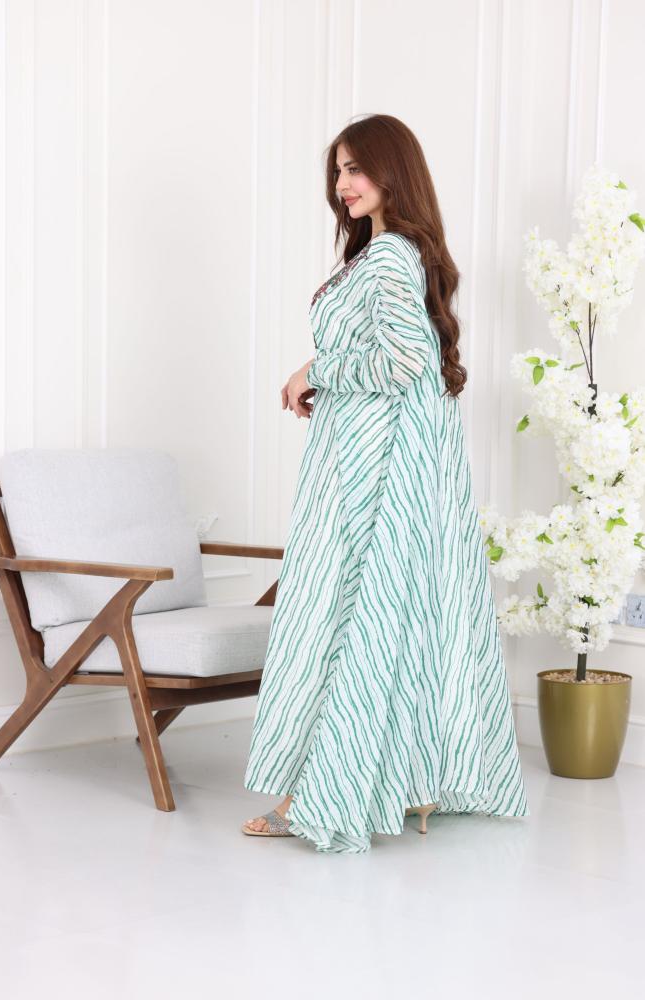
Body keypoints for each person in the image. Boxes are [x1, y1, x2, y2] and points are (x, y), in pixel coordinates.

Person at [242, 113, 529, 853]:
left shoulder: (390, 255)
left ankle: (322, 794)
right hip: (374, 458)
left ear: (393, 172)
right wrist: (321, 375)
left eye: (357, 168)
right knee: (387, 619)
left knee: (348, 620)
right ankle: (410, 782)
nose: (343, 184)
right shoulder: (381, 255)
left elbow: (407, 362)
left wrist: (319, 371)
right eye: (337, 171)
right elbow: (403, 357)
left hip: (375, 474)